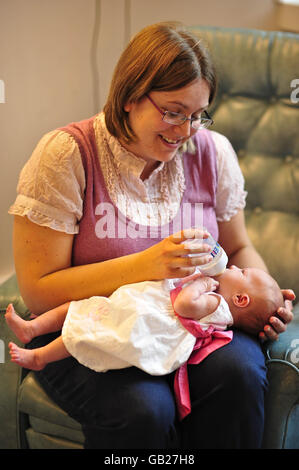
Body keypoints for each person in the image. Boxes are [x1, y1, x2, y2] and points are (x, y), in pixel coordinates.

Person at [8, 21, 294, 449]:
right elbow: (39, 293)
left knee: (239, 373)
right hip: (90, 323)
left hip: (187, 325)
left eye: (198, 115)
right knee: (146, 409)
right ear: (129, 97)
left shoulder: (211, 153)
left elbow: (237, 247)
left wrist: (263, 299)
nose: (185, 132)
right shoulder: (67, 156)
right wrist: (144, 266)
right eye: (173, 111)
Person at [6, 265, 285, 421]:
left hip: (145, 323)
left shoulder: (216, 303)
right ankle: (33, 328)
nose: (235, 266)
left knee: (87, 331)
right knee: (80, 310)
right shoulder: (220, 298)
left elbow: (186, 304)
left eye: (243, 273)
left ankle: (40, 356)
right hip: (141, 306)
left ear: (240, 300)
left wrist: (202, 283)